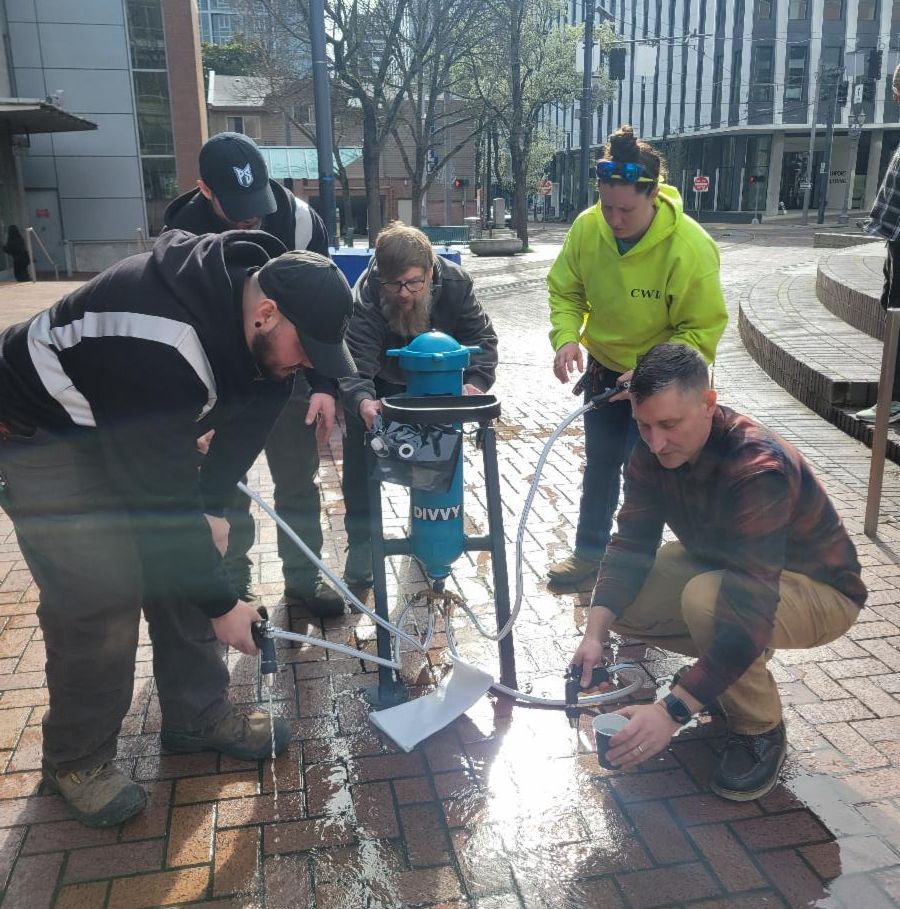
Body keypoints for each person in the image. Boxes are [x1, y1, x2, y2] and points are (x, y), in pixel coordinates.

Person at [0, 229, 355, 827]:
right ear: (267, 313)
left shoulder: (257, 318)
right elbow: (157, 502)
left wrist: (213, 505)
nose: (308, 365)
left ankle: (197, 716)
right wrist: (221, 604)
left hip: (120, 418)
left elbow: (257, 407)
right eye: (306, 348)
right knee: (100, 591)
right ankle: (76, 759)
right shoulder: (159, 339)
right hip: (41, 429)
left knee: (197, 546)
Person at [570, 343, 866, 801]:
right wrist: (594, 634)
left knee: (710, 602)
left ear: (708, 403)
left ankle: (759, 730)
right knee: (626, 599)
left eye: (670, 424)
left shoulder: (756, 467)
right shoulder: (651, 450)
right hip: (737, 573)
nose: (655, 441)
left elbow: (749, 607)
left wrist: (672, 711)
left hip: (822, 592)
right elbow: (631, 544)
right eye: (643, 425)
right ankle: (728, 667)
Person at [165, 131, 344, 617]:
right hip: (218, 379)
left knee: (298, 480)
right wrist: (193, 411)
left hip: (287, 371)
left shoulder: (302, 222)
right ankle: (235, 582)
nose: (251, 216)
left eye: (258, 202)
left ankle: (304, 580)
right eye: (237, 206)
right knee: (229, 481)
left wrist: (324, 386)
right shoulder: (180, 233)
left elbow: (327, 312)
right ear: (206, 191)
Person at [546, 125, 727, 589]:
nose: (614, 219)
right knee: (602, 465)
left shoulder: (689, 247)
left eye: (625, 209)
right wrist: (567, 336)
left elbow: (701, 328)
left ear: (653, 196)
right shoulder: (589, 228)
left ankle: (637, 569)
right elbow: (566, 289)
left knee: (647, 473)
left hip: (662, 382)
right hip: (607, 373)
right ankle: (588, 555)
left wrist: (650, 370)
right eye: (607, 206)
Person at [339, 222, 498, 586]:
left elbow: (482, 340)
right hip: (382, 379)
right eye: (393, 285)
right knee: (360, 456)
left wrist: (474, 384)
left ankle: (429, 533)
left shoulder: (456, 284)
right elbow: (353, 358)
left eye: (413, 283)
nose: (404, 294)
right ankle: (363, 541)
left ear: (431, 271)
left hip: (438, 381)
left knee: (437, 455)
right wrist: (362, 400)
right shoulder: (367, 294)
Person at [856, 65, 900, 424]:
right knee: (893, 311)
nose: (895, 95)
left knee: (899, 318)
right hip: (895, 241)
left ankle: (894, 401)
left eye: (898, 88)